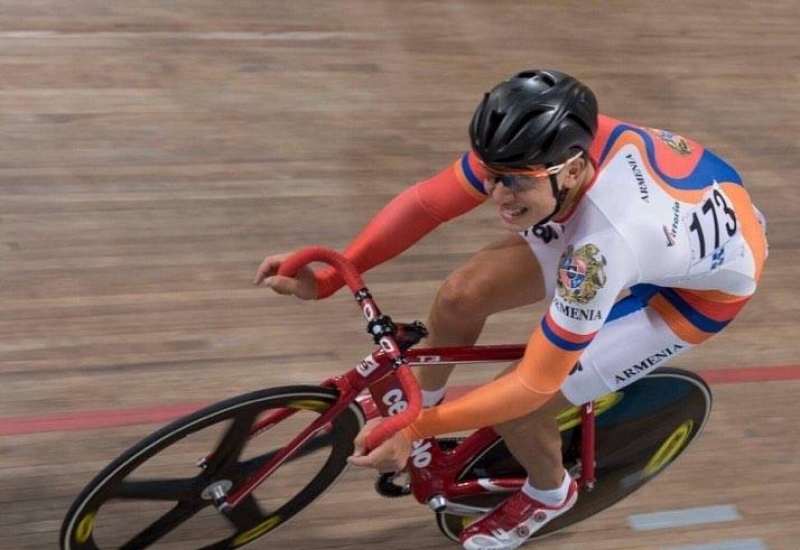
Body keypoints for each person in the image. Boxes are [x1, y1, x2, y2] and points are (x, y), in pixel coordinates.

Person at [254, 69, 768, 550]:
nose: (496, 194)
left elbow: (533, 384)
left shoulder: (602, 250)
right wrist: (331, 276)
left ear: (571, 169)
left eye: (515, 181)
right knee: (460, 295)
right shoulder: (538, 149)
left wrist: (414, 430)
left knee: (521, 412)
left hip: (691, 293)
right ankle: (421, 399)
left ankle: (550, 493)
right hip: (657, 215)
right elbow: (426, 204)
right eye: (491, 175)